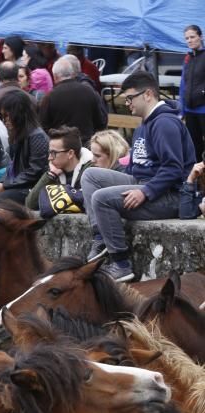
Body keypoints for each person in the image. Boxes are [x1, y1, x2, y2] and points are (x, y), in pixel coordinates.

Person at [79, 71, 196, 282]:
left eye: (130, 98)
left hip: (169, 195)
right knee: (90, 175)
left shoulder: (164, 124)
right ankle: (100, 237)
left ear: (148, 94)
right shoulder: (144, 124)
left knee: (102, 199)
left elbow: (173, 169)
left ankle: (121, 264)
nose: (127, 103)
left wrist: (146, 192)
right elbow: (135, 169)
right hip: (142, 183)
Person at [0, 89, 49, 204]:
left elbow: (35, 171)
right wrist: (2, 183)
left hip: (32, 189)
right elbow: (12, 166)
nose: (5, 121)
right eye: (2, 116)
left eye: (7, 116)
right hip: (18, 185)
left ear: (19, 114)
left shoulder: (37, 136)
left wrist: (6, 185)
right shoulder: (19, 135)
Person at [25, 125, 95, 215]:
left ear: (70, 153)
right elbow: (30, 205)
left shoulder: (89, 171)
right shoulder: (54, 170)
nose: (50, 158)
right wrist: (51, 175)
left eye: (54, 153)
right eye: (49, 152)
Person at [40, 56, 108, 145]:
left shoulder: (49, 97)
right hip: (87, 145)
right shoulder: (89, 91)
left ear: (55, 77)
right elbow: (101, 121)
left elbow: (43, 127)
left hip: (62, 147)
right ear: (73, 74)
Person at [181, 24, 205, 161]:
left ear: (200, 37)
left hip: (203, 108)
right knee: (194, 146)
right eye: (187, 38)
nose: (189, 40)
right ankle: (197, 178)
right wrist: (182, 108)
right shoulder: (188, 58)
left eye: (192, 37)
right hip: (190, 109)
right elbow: (183, 84)